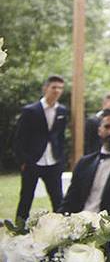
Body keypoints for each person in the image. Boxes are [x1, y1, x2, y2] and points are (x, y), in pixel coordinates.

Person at [13, 75, 69, 220]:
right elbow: (19, 138)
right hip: (33, 161)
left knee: (58, 198)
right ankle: (19, 227)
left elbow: (61, 136)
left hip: (53, 161)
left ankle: (61, 228)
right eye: (54, 87)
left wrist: (61, 158)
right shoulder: (30, 110)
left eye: (60, 88)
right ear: (46, 88)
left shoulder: (62, 111)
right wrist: (23, 161)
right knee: (26, 197)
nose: (57, 91)